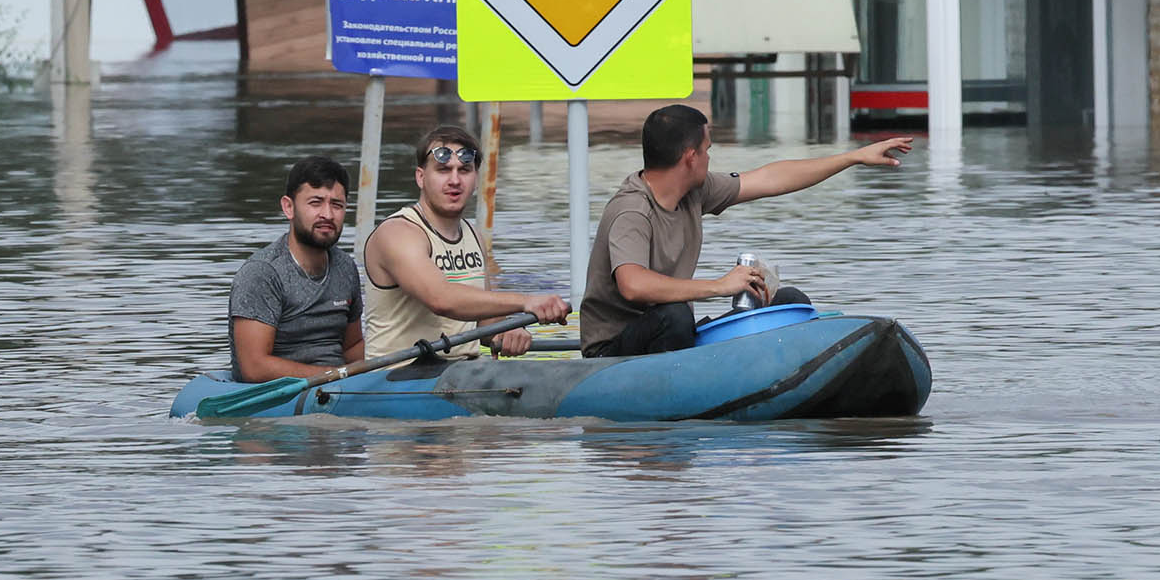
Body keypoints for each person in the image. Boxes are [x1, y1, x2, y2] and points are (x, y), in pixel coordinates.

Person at [581, 104, 913, 358]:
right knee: (675, 316)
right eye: (708, 150)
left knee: (789, 301)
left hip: (670, 336)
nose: (710, 158)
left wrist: (853, 157)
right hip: (613, 351)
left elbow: (770, 179)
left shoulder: (695, 191)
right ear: (690, 157)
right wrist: (720, 286)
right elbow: (633, 285)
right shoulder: (632, 210)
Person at [362, 124, 569, 361]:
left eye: (464, 170)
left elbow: (485, 321)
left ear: (476, 178)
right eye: (443, 170)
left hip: (459, 375)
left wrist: (507, 330)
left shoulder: (474, 235)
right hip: (395, 381)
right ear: (421, 177)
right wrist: (527, 302)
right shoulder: (398, 232)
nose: (454, 180)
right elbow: (441, 299)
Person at [228, 156, 364, 382]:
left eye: (337, 205)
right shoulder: (262, 273)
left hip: (341, 387)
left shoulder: (345, 267)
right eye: (315, 203)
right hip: (283, 396)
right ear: (288, 207)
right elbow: (254, 367)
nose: (327, 215)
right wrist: (334, 376)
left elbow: (352, 347)